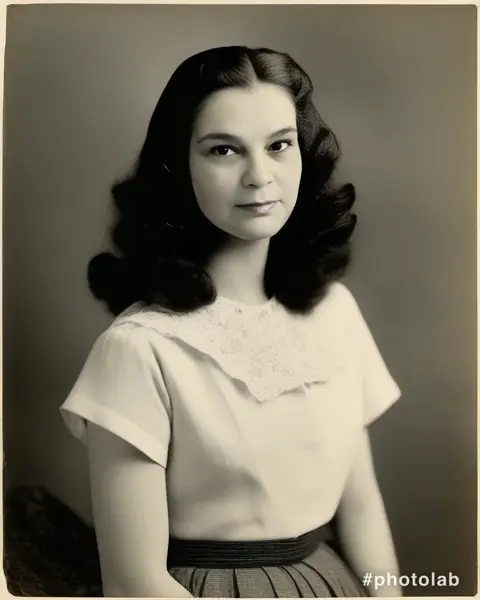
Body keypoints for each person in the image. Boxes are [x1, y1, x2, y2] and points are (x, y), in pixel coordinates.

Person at [60, 45, 402, 598]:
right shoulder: (139, 349)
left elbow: (360, 506)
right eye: (224, 150)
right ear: (178, 167)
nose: (259, 176)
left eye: (279, 145)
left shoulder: (336, 312)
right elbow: (132, 582)